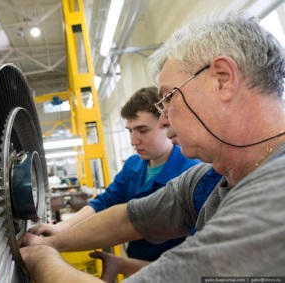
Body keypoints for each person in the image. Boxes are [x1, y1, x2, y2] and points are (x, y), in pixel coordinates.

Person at [19, 11, 285, 282]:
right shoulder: (210, 178)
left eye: (168, 98)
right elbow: (129, 218)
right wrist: (54, 242)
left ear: (222, 79)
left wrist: (40, 259)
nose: (164, 119)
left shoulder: (276, 196)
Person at [29, 87, 200, 263]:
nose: (133, 141)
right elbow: (104, 202)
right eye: (130, 130)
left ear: (166, 123)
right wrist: (60, 228)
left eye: (142, 130)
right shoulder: (133, 165)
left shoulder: (192, 174)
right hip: (135, 260)